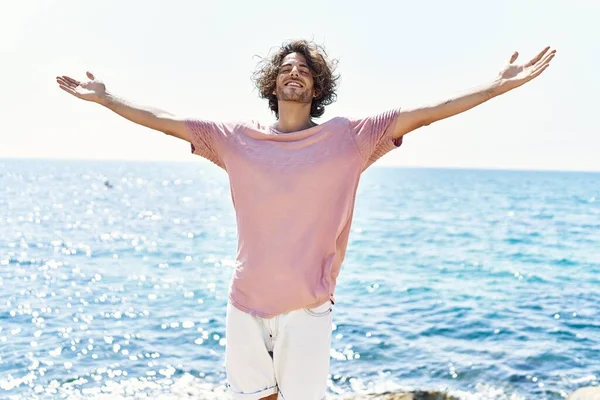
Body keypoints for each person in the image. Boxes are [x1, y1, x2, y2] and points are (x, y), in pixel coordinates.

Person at [56, 39, 556, 400]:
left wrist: (494, 87)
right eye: (287, 68)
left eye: (306, 71)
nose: (295, 73)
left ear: (318, 87)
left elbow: (429, 112)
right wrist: (106, 98)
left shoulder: (351, 138)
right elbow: (163, 119)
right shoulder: (234, 138)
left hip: (309, 309)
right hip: (245, 305)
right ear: (272, 82)